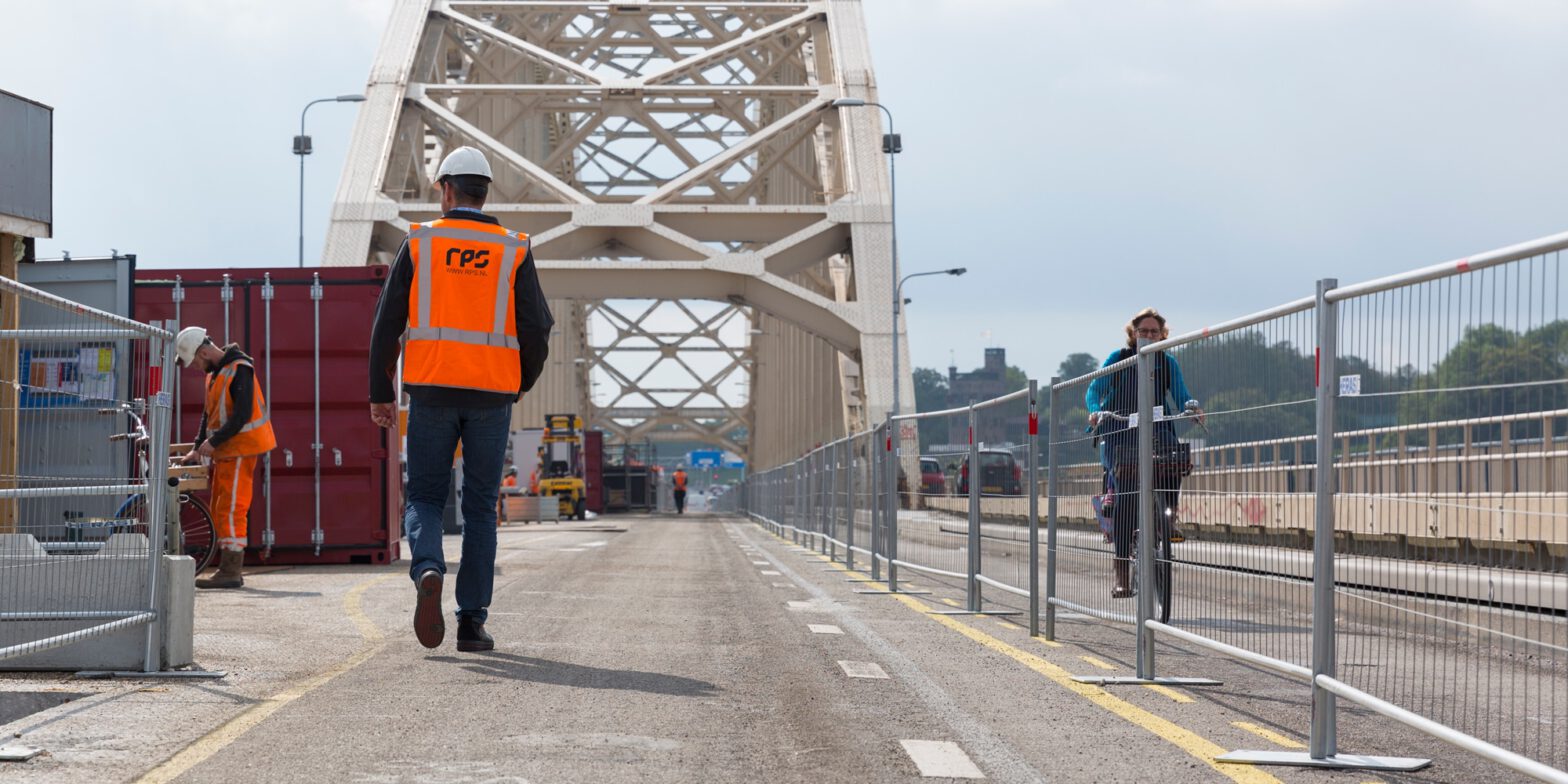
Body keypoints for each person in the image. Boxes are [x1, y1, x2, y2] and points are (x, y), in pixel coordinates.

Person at [368, 146, 553, 652]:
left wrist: (380, 392)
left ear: (446, 190)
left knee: (426, 497)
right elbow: (537, 328)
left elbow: (387, 325)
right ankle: (472, 623)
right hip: (492, 397)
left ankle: (428, 567)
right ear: (484, 191)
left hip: (430, 392)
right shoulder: (514, 248)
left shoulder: (421, 242)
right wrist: (517, 383)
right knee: (478, 509)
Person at [1085, 308, 1202, 598]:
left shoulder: (1166, 362)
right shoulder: (1119, 359)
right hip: (1120, 427)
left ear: (1162, 334)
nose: (1148, 336)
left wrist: (1192, 407)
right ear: (1132, 334)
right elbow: (1093, 389)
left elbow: (1181, 393)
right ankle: (1122, 573)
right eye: (1143, 331)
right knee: (1125, 501)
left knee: (1174, 461)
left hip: (1156, 428)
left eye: (1154, 332)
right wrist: (1095, 412)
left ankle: (1167, 515)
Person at [175, 326, 276, 590]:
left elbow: (241, 416)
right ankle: (228, 568)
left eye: (196, 361)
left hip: (241, 449)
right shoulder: (215, 374)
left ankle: (231, 571)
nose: (196, 367)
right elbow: (208, 415)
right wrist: (198, 448)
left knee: (232, 508)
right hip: (228, 451)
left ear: (205, 351)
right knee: (222, 506)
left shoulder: (240, 369)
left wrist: (213, 442)